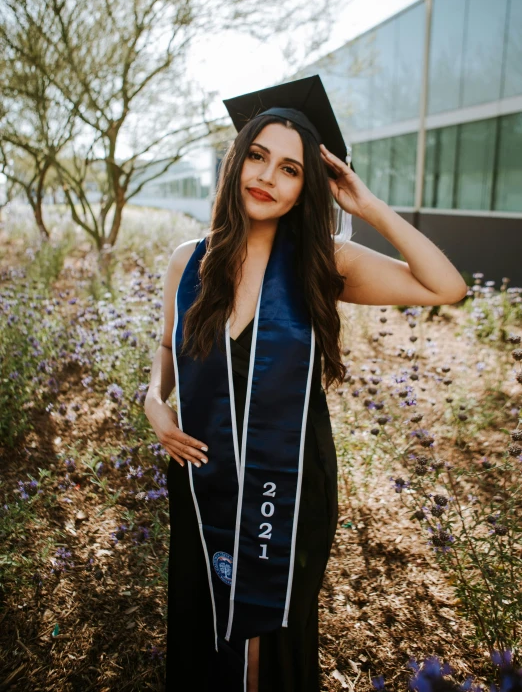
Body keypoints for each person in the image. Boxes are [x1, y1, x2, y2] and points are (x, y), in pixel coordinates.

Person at [144, 76, 468, 692]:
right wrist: (154, 400)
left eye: (290, 169)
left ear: (307, 187)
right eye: (258, 157)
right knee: (207, 622)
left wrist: (367, 206)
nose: (268, 177)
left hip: (287, 485)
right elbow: (168, 346)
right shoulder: (189, 261)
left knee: (268, 642)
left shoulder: (326, 263)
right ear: (237, 162)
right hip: (203, 478)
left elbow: (445, 286)